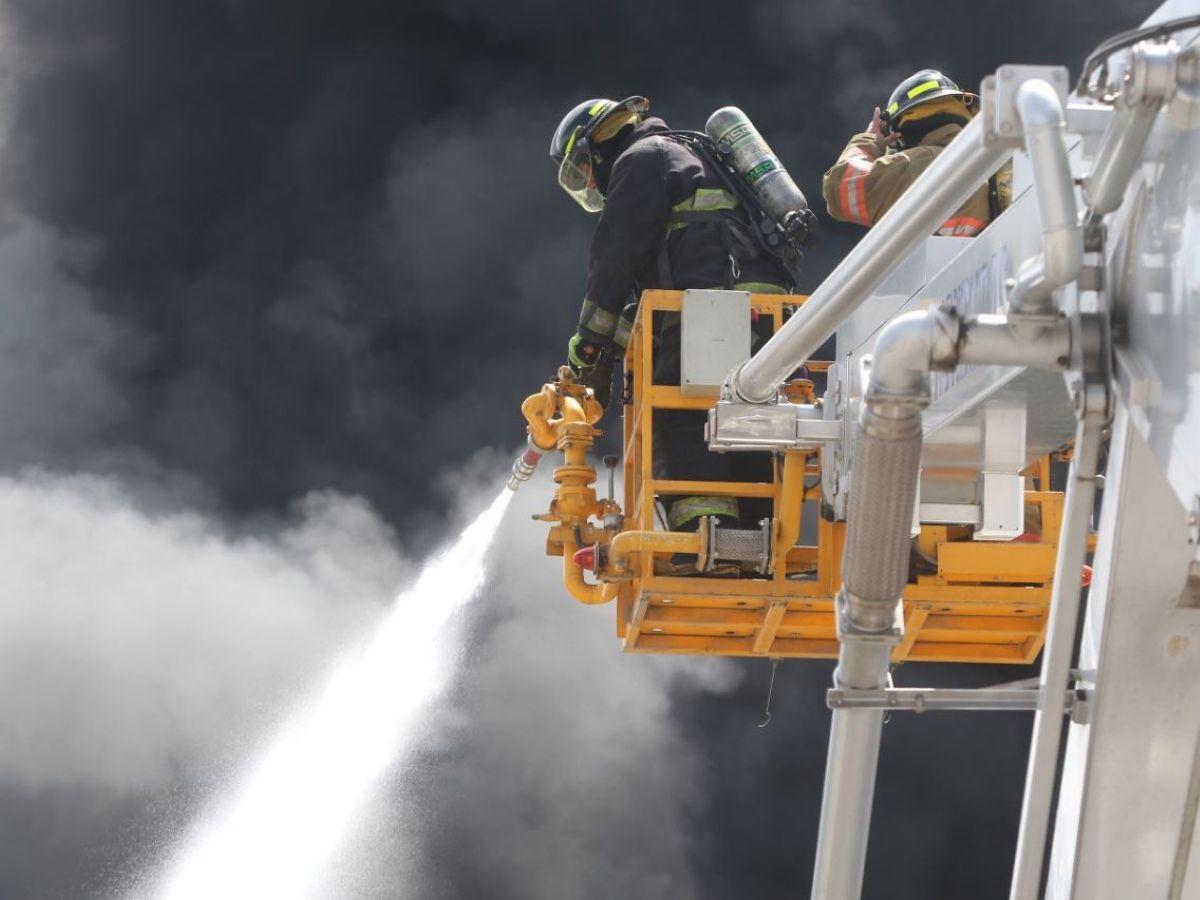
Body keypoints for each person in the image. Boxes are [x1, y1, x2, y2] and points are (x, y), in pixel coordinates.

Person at [549, 96, 792, 532]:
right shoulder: (695, 154)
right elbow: (647, 293)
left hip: (708, 307)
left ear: (597, 147)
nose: (591, 182)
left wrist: (588, 344)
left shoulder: (642, 158)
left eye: (585, 169)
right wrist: (612, 349)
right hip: (767, 314)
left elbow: (615, 258)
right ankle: (757, 534)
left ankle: (701, 538)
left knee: (680, 416)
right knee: (750, 420)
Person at [823, 69, 1011, 236]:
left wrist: (870, 140)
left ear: (900, 130)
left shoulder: (914, 166)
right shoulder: (997, 164)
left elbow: (840, 187)